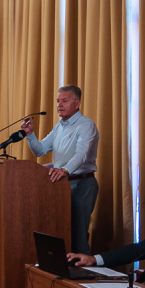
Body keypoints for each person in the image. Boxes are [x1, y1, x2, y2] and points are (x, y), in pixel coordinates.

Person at [21, 85, 101, 253]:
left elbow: (81, 155)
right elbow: (41, 150)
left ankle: (82, 275)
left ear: (77, 103)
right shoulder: (60, 126)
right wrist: (30, 135)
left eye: (64, 101)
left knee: (78, 236)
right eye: (58, 101)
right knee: (60, 232)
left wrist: (64, 170)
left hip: (81, 184)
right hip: (60, 184)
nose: (59, 105)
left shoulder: (86, 125)